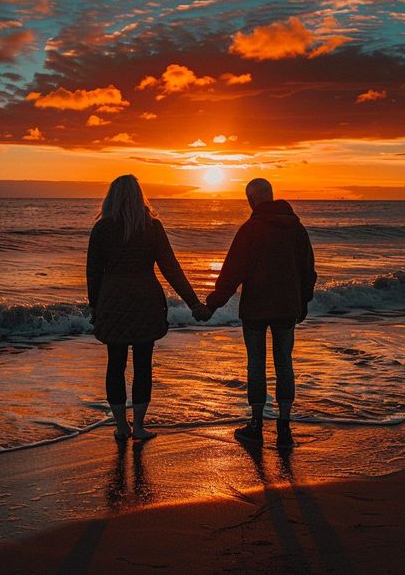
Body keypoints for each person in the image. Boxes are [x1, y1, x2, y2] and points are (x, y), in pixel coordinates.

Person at [87, 174, 210, 441]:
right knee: (143, 365)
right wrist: (194, 303)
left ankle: (121, 426)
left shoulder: (102, 229)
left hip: (113, 300)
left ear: (111, 197)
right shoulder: (152, 227)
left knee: (115, 364)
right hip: (146, 301)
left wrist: (94, 306)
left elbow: (93, 273)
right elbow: (171, 269)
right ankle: (139, 427)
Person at [206, 178, 316, 448]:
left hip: (255, 310)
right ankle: (284, 428)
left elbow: (232, 272)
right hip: (286, 308)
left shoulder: (250, 229)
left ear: (251, 200)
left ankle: (256, 425)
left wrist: (211, 305)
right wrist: (302, 303)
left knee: (256, 365)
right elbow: (308, 271)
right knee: (284, 364)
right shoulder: (296, 228)